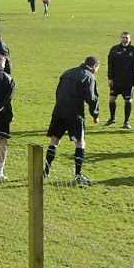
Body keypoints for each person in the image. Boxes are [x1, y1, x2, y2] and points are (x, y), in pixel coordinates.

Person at [44, 56, 100, 185]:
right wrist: (95, 114)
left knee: (54, 140)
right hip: (74, 114)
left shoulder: (67, 72)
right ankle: (78, 175)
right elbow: (92, 98)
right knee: (80, 142)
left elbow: (58, 91)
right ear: (94, 66)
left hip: (59, 110)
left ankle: (46, 171)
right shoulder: (88, 76)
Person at [104, 31, 134, 128]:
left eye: (126, 38)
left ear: (130, 39)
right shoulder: (114, 50)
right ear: (120, 38)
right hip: (116, 81)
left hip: (128, 82)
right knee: (112, 99)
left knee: (128, 101)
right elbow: (110, 65)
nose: (124, 39)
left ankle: (126, 122)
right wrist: (109, 78)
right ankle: (112, 119)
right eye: (123, 37)